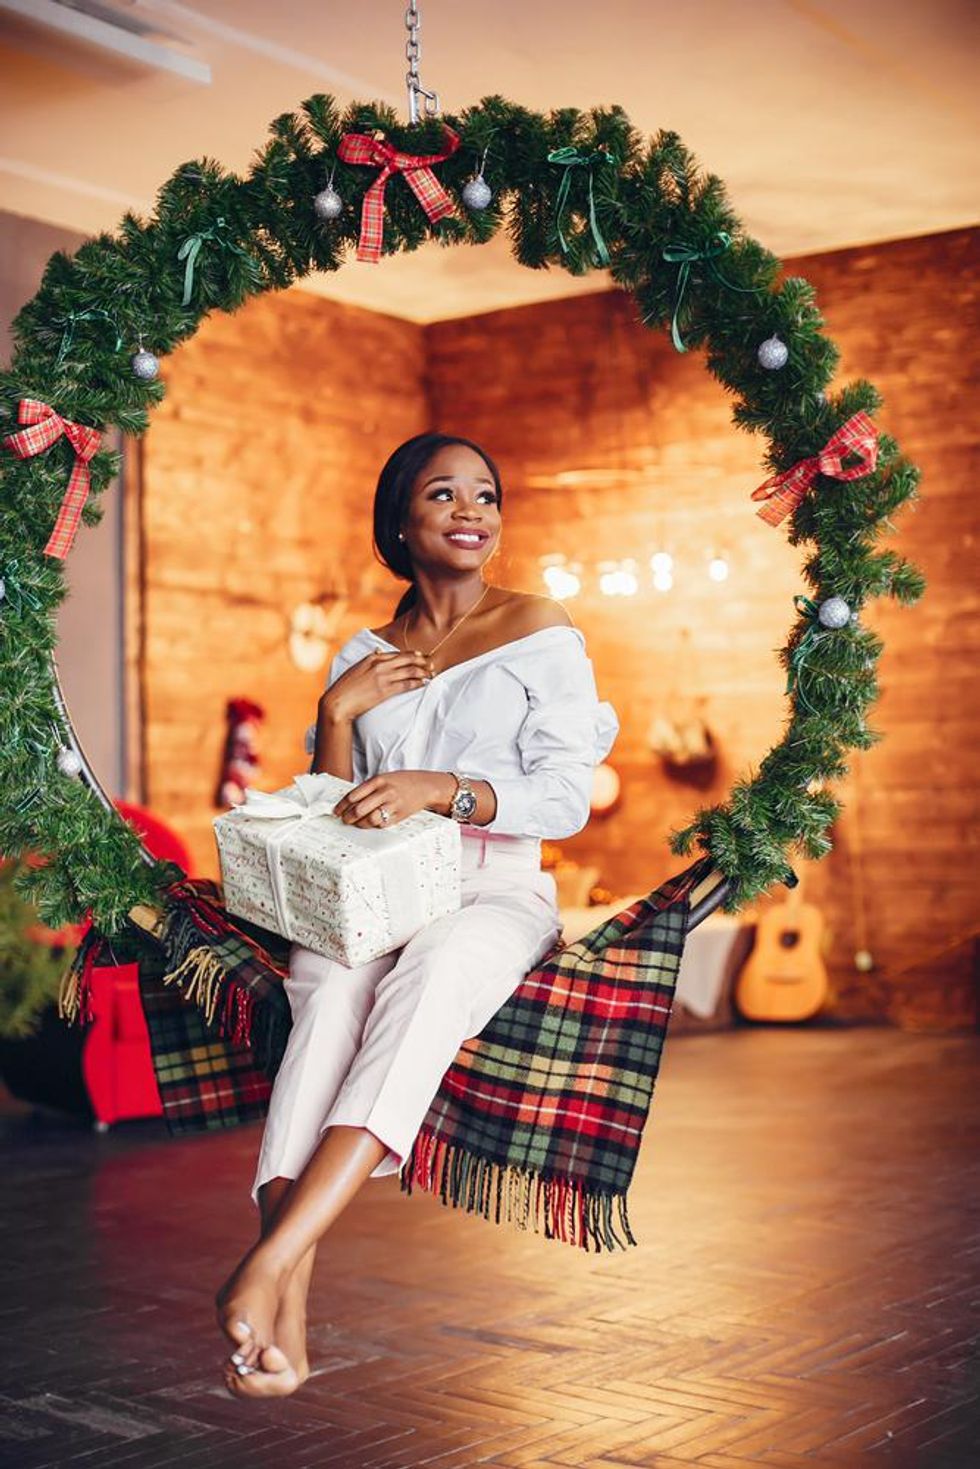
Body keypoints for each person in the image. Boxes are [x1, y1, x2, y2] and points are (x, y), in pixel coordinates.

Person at [215, 431, 619, 1397]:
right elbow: (330, 809)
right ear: (401, 519)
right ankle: (292, 1307)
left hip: (494, 890)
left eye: (486, 494)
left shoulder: (541, 629)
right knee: (320, 996)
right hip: (376, 888)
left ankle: (268, 1265)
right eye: (444, 495)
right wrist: (337, 714)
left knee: (433, 977)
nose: (472, 510)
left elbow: (568, 795)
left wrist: (444, 786)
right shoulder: (362, 654)